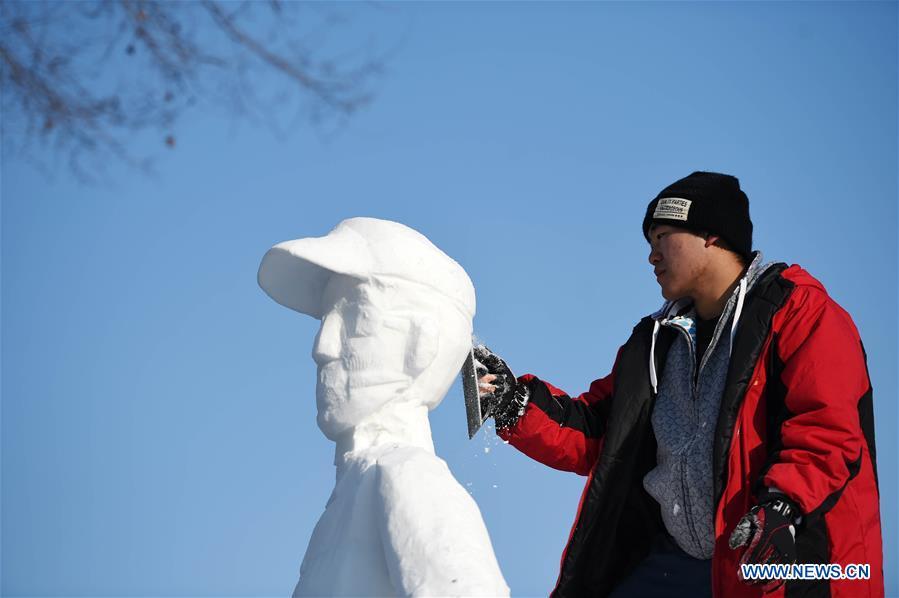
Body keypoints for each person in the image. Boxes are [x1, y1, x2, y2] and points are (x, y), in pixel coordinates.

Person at [476, 172, 883, 597]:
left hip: (768, 562)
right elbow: (600, 431)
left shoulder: (799, 313)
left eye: (663, 237)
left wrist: (783, 504)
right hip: (670, 563)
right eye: (649, 243)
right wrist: (514, 403)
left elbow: (829, 428)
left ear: (711, 236)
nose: (651, 256)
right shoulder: (654, 343)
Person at [259, 217, 509, 597]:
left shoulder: (407, 477)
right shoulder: (342, 507)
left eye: (353, 320)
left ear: (419, 345)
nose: (321, 346)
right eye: (327, 320)